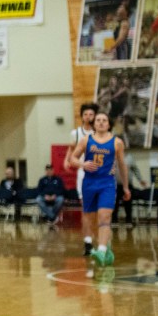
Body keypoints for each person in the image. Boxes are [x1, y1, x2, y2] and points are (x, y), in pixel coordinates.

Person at [68, 112, 130, 267]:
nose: (101, 122)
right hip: (89, 183)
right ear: (94, 124)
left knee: (105, 217)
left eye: (104, 120)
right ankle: (99, 243)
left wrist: (126, 187)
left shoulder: (117, 142)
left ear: (109, 124)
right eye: (98, 120)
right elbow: (72, 159)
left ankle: (101, 251)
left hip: (107, 184)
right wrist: (83, 164)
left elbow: (122, 166)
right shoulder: (85, 140)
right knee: (90, 218)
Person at [70, 102, 97, 254]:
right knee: (86, 209)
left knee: (101, 211)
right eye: (85, 114)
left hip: (101, 175)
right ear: (82, 116)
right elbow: (72, 153)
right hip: (84, 174)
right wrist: (78, 163)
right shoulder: (77, 133)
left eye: (91, 114)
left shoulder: (103, 133)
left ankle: (102, 241)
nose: (89, 117)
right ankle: (87, 242)